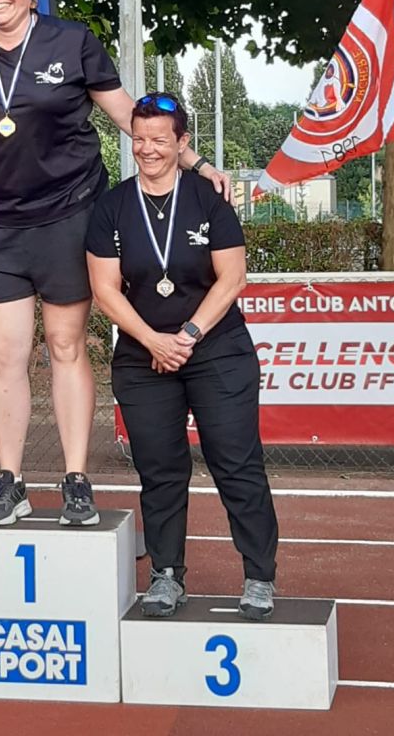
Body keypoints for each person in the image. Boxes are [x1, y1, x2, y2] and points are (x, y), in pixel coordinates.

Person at [0, 0, 231, 529]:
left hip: (69, 214)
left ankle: (76, 479)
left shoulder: (72, 41)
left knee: (66, 344)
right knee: (5, 354)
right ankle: (9, 479)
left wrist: (196, 162)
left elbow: (129, 115)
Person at [85, 92, 279, 620]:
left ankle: (259, 576)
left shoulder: (208, 197)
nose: (147, 149)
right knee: (160, 469)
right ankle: (166, 574)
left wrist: (187, 335)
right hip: (143, 354)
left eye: (159, 140)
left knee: (236, 463)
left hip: (216, 349)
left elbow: (232, 278)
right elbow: (105, 290)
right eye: (139, 139)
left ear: (181, 143)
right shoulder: (112, 206)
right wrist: (153, 340)